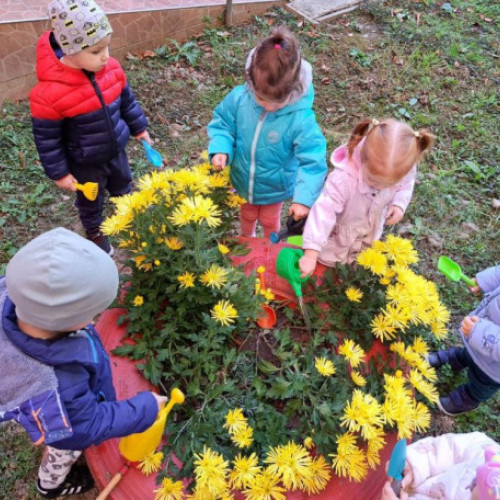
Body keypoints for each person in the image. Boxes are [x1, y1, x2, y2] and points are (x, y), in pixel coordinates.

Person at [0, 228, 167, 498]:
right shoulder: (57, 383)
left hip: (48, 402)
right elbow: (84, 428)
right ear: (64, 321)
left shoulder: (15, 294)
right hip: (65, 424)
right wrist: (144, 408)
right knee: (63, 447)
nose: (93, 320)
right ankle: (50, 485)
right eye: (92, 313)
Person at [29, 0, 154, 255]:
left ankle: (127, 210)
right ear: (69, 49)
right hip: (85, 161)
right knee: (90, 199)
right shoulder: (48, 94)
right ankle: (95, 231)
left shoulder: (112, 69)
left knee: (123, 182)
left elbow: (127, 102)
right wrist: (60, 173)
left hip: (116, 148)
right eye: (96, 51)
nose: (105, 56)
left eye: (107, 47)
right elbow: (47, 139)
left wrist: (139, 128)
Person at [207, 25, 327, 238]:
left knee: (269, 221)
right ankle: (247, 244)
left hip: (274, 188)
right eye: (261, 98)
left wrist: (303, 199)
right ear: (250, 81)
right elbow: (223, 124)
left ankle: (270, 248)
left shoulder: (301, 119)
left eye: (278, 102)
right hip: (243, 180)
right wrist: (221, 149)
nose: (268, 107)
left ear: (295, 90)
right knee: (247, 216)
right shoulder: (239, 99)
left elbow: (313, 162)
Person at [299, 118, 435, 276]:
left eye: (389, 183)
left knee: (355, 272)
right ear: (362, 159)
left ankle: (350, 275)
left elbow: (406, 183)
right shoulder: (343, 180)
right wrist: (311, 253)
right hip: (334, 243)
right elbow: (322, 214)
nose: (381, 187)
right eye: (374, 181)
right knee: (325, 277)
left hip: (367, 236)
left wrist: (399, 204)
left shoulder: (403, 166)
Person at [427, 265, 500, 416]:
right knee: (469, 353)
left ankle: (468, 398)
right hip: (485, 330)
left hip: (494, 368)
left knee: (481, 385)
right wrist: (485, 281)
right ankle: (457, 358)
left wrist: (480, 332)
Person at [380, 432, 500, 500]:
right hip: (417, 484)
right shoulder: (482, 454)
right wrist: (416, 464)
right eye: (475, 482)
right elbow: (449, 447)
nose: (470, 487)